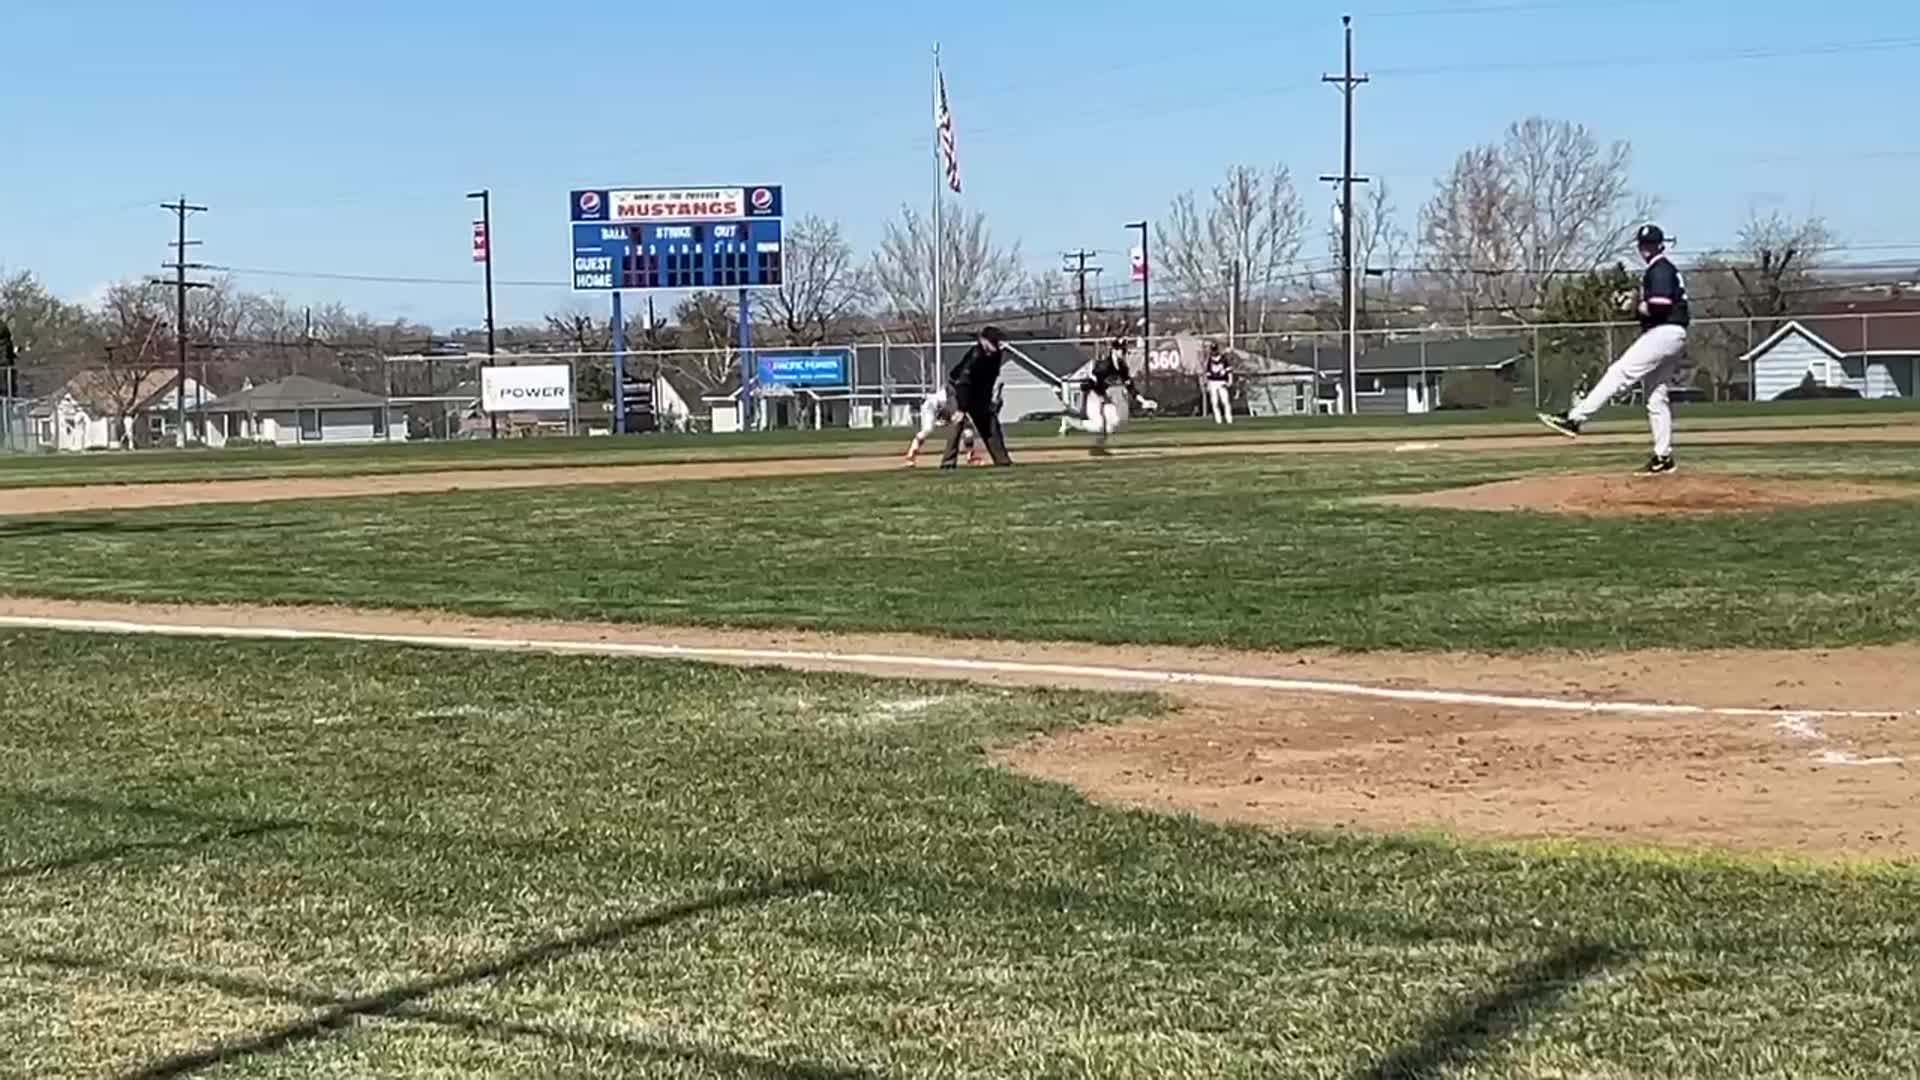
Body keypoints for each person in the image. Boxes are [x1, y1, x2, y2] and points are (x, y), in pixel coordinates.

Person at [1538, 223, 1690, 474]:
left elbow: (1660, 305)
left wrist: (1637, 306)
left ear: (1660, 245)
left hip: (1664, 332)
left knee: (1619, 372)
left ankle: (1574, 419)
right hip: (1673, 334)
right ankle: (1663, 457)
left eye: (1650, 244)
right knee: (1656, 397)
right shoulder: (1662, 269)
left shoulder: (1660, 269)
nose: (1646, 248)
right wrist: (1637, 307)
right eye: (1643, 244)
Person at [1059, 338, 1158, 455]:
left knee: (1114, 423)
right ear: (1113, 350)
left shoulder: (1122, 367)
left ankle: (1098, 448)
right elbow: (1088, 385)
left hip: (1103, 396)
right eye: (1120, 349)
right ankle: (1070, 421)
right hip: (1093, 396)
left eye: (1124, 349)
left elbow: (1130, 387)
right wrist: (1084, 402)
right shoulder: (1104, 366)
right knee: (1099, 425)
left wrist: (1143, 401)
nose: (1122, 352)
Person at [939, 327, 1013, 468]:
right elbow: (963, 382)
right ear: (982, 340)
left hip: (978, 393)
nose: (995, 345)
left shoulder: (996, 356)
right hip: (958, 389)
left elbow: (989, 381)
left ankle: (1002, 461)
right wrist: (961, 409)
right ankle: (948, 463)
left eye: (996, 342)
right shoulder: (975, 357)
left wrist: (988, 401)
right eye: (992, 342)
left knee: (990, 423)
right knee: (958, 422)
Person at [904, 384, 983, 467]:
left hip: (944, 408)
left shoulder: (966, 395)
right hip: (931, 406)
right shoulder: (958, 392)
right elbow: (952, 404)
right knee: (928, 429)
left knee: (968, 429)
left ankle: (970, 457)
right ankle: (911, 455)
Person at [1203, 342, 1235, 424]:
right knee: (1214, 402)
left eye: (1215, 350)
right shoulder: (1209, 360)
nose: (1214, 351)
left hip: (1222, 382)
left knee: (1225, 401)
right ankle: (1218, 420)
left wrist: (1230, 381)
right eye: (1212, 350)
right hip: (1213, 382)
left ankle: (1229, 419)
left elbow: (1229, 371)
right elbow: (1207, 373)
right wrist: (1207, 384)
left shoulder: (1223, 359)